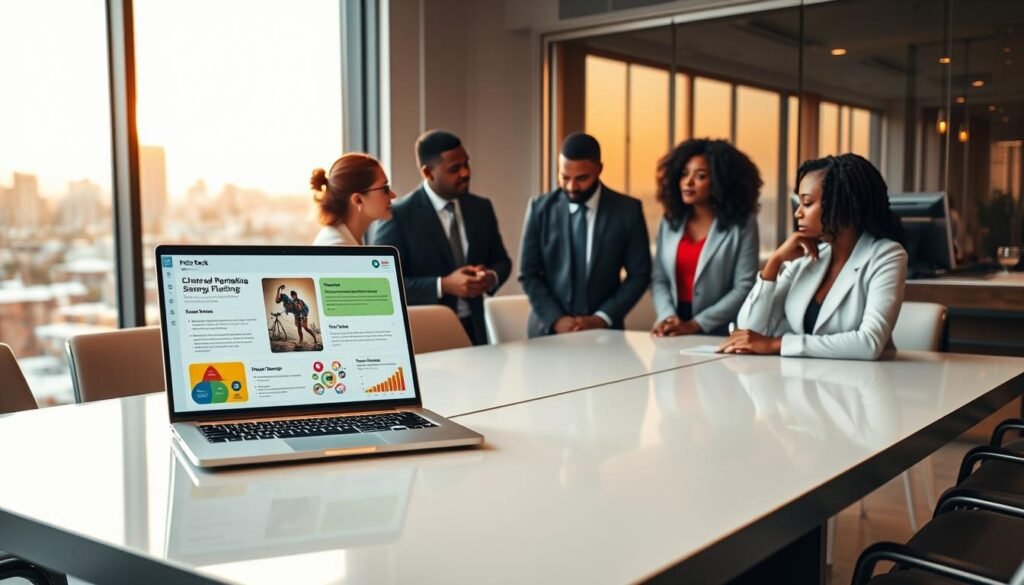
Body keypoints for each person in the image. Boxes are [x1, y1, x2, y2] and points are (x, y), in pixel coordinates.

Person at [718, 153, 908, 360]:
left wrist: (777, 344)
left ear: (842, 204)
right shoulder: (808, 257)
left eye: (807, 203)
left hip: (864, 384)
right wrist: (774, 264)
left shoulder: (886, 255)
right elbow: (748, 332)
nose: (798, 213)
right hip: (807, 381)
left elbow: (869, 344)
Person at [371, 130, 512, 345]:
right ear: (428, 173)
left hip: (476, 332)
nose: (465, 173)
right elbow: (384, 286)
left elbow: (502, 261)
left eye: (466, 164)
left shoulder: (481, 207)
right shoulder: (398, 216)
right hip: (426, 335)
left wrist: (488, 278)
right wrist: (443, 285)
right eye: (455, 169)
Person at [519, 132, 652, 337]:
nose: (572, 187)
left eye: (581, 178)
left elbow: (639, 274)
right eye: (564, 177)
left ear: (599, 169)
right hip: (547, 333)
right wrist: (556, 319)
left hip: (605, 335)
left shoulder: (628, 210)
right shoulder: (539, 208)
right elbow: (528, 274)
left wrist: (602, 317)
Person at [650, 139, 761, 337]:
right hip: (671, 329)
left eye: (700, 176)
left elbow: (744, 286)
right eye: (684, 174)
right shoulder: (670, 221)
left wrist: (696, 324)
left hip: (718, 331)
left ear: (721, 181)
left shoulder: (743, 224)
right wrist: (667, 317)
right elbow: (659, 279)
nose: (688, 182)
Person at [311, 153, 396, 246]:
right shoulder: (338, 248)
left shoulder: (347, 239)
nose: (393, 195)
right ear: (358, 200)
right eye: (385, 189)